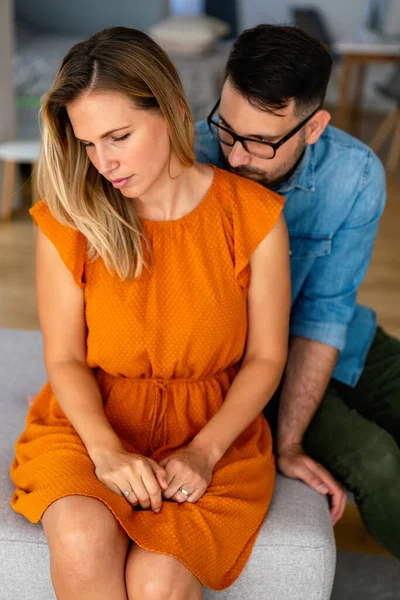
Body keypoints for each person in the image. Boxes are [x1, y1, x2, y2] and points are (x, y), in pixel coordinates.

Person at [10, 27, 290, 599]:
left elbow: (266, 356)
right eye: (87, 144)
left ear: (172, 110)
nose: (103, 162)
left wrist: (205, 452)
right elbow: (63, 357)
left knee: (160, 580)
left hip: (210, 431)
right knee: (83, 536)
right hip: (94, 420)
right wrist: (106, 451)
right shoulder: (70, 219)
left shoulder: (253, 216)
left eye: (118, 136)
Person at [196, 23, 400, 559]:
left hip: (338, 335)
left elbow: (326, 313)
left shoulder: (354, 175)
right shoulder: (187, 159)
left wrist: (289, 441)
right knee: (379, 465)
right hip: (248, 368)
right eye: (228, 128)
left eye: (262, 142)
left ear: (314, 127)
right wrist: (284, 443)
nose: (237, 157)